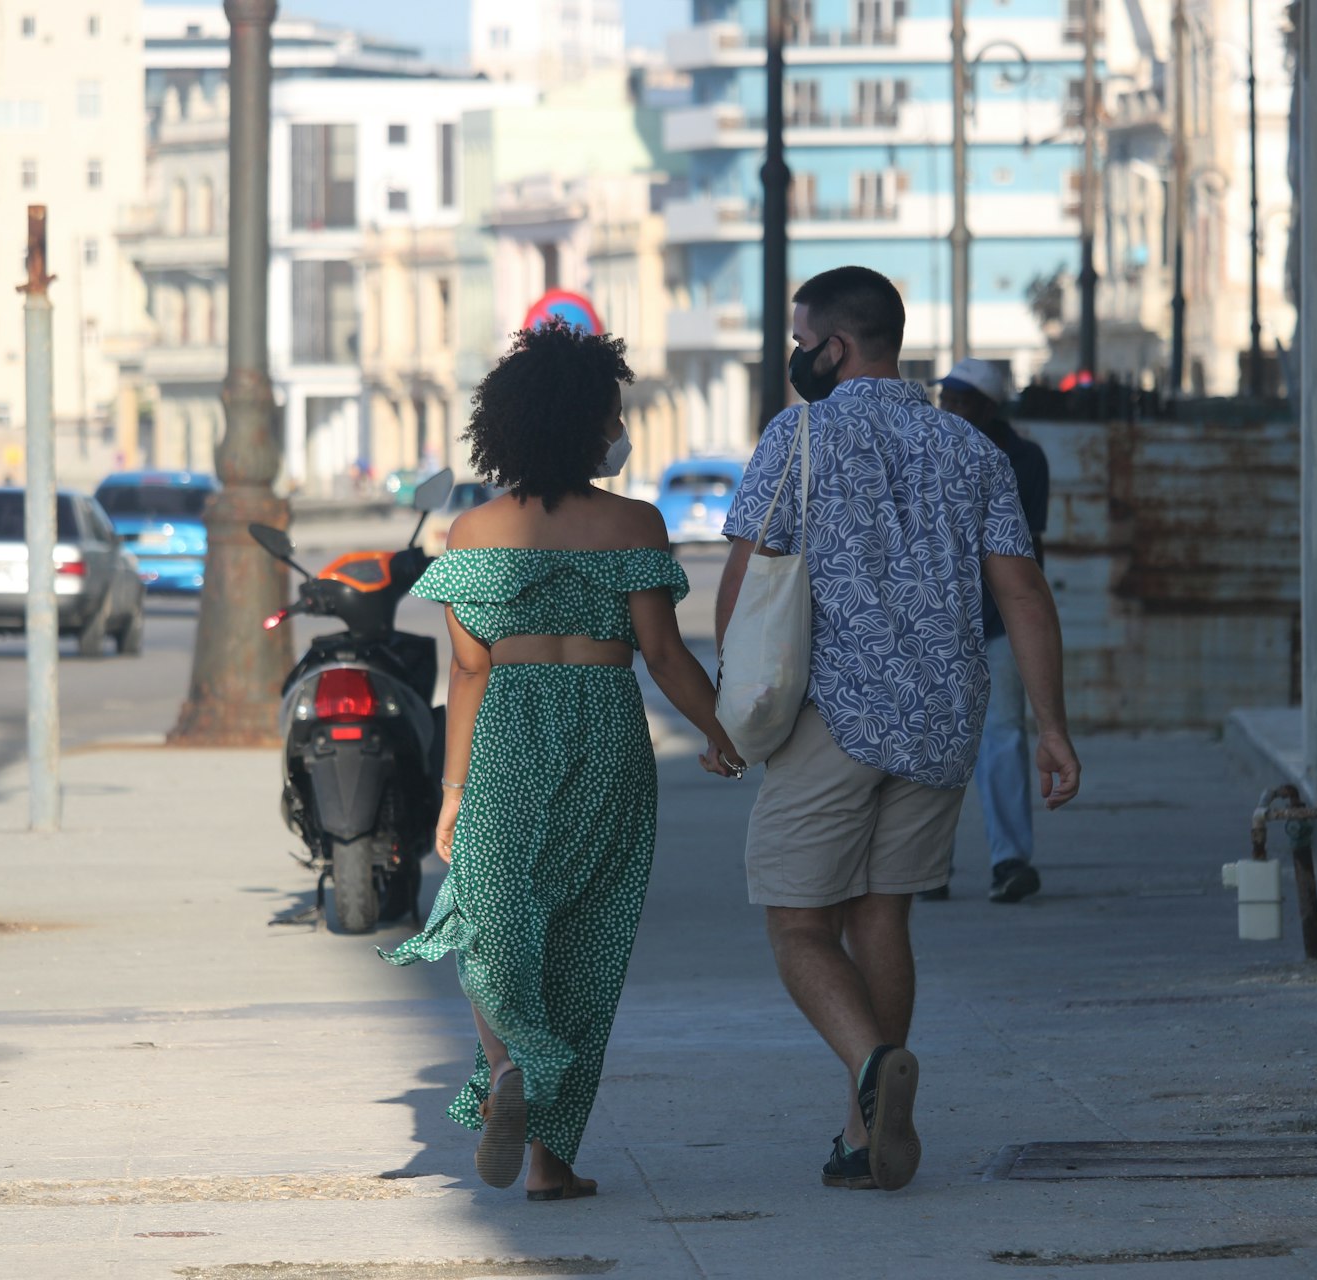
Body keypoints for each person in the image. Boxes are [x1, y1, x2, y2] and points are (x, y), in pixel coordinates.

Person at [716, 267, 1082, 1193]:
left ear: (835, 346)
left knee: (800, 927)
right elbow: (1024, 594)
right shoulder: (970, 449)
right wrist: (1052, 727)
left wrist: (732, 693)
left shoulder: (796, 436)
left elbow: (747, 579)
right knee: (884, 913)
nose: (798, 355)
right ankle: (861, 1134)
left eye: (803, 339)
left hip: (827, 715)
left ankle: (873, 1065)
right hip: (943, 716)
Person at [382, 323, 745, 1202]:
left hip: (508, 729)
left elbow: (467, 669)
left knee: (491, 918)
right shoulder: (634, 523)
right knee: (585, 945)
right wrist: (720, 730)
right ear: (588, 425)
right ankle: (551, 1161)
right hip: (607, 736)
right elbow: (664, 656)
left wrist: (454, 789)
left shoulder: (472, 531)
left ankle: (509, 1065)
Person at [925, 357, 1052, 904]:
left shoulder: (1021, 459)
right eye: (946, 400)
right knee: (932, 745)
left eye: (962, 402)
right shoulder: (926, 449)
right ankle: (927, 867)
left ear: (988, 408)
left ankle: (1010, 861)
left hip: (996, 620)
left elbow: (1018, 545)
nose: (950, 409)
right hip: (935, 620)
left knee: (1001, 740)